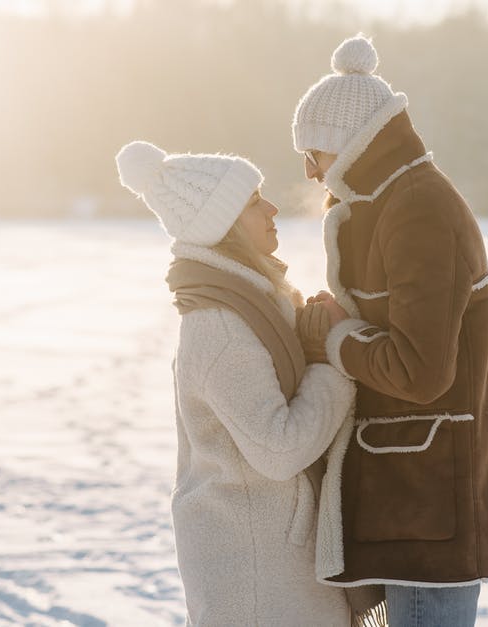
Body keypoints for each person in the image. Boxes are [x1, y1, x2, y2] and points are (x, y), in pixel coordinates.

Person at [291, 35, 488, 627]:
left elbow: (420, 372)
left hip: (431, 502)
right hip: (411, 494)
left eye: (313, 153)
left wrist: (336, 340)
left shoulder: (419, 209)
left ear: (346, 145)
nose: (309, 170)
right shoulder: (388, 203)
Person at [115, 140, 359, 626]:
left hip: (275, 563)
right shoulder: (221, 327)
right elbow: (280, 449)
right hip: (254, 576)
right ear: (221, 228)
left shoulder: (260, 303)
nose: (271, 209)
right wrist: (332, 363)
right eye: (252, 204)